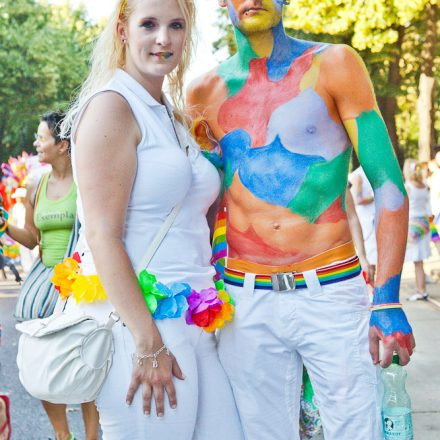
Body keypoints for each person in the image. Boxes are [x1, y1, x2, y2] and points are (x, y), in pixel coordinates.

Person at [187, 1, 415, 438]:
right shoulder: (203, 94)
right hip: (245, 299)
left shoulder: (335, 65)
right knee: (262, 433)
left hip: (330, 289)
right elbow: (206, 202)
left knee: (356, 430)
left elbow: (388, 187)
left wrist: (387, 299)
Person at [59, 0, 243, 438]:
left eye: (176, 26)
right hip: (144, 325)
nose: (163, 38)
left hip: (194, 317)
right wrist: (147, 342)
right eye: (149, 24)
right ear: (123, 30)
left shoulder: (170, 114)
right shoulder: (112, 107)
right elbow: (102, 235)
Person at [0, 112, 99, 440]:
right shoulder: (36, 185)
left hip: (82, 281)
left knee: (86, 357)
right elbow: (32, 239)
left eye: (42, 138)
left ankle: (91, 435)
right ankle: (62, 435)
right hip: (46, 281)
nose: (36, 144)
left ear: (62, 144)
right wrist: (3, 225)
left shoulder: (87, 181)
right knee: (40, 358)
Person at [403, 159, 432, 301]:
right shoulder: (424, 186)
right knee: (419, 260)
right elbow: (428, 207)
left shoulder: (408, 186)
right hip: (424, 224)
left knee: (416, 260)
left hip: (413, 224)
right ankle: (421, 289)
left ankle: (421, 290)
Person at [349, 165, 378, 274]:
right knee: (370, 257)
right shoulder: (358, 175)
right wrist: (375, 196)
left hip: (372, 217)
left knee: (375, 256)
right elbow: (357, 199)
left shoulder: (373, 171)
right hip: (365, 221)